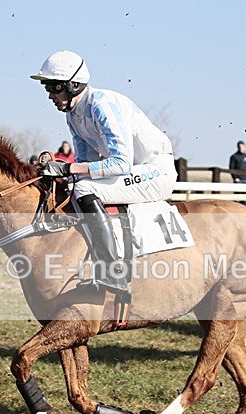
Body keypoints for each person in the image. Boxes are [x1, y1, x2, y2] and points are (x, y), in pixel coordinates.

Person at [30, 50, 176, 292]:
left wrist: (68, 167)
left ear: (74, 85)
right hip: (131, 173)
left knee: (84, 186)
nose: (50, 95)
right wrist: (62, 173)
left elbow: (121, 163)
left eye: (54, 88)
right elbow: (86, 163)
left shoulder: (102, 105)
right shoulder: (73, 115)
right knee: (75, 185)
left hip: (154, 171)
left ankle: (112, 271)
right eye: (47, 88)